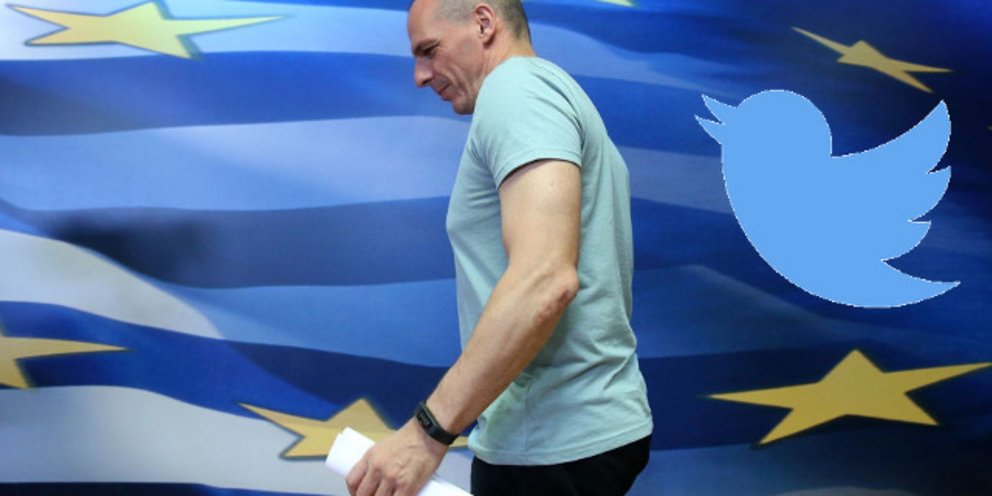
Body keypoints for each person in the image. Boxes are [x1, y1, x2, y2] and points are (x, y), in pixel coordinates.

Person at [345, 0, 653, 494]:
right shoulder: (540, 92)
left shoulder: (518, 91)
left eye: (429, 50)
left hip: (553, 443)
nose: (420, 76)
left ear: (484, 23)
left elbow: (545, 279)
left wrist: (425, 435)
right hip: (565, 436)